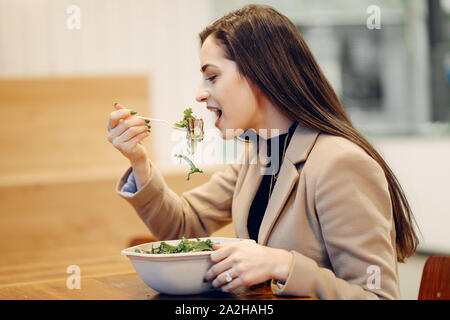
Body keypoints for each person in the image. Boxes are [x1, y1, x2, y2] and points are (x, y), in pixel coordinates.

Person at [107, 4, 419, 299]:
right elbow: (181, 224)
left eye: (212, 77)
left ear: (259, 72)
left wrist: (283, 264)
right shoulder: (259, 155)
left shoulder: (340, 163)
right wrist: (139, 161)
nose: (200, 94)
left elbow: (377, 295)